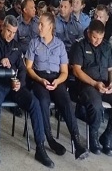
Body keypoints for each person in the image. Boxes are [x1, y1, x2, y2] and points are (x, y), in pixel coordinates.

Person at [0, 15, 54, 168]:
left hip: (13, 84)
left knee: (34, 102)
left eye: (14, 32)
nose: (11, 35)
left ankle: (40, 147)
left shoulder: (16, 46)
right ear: (3, 27)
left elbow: (22, 69)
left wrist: (20, 82)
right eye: (9, 31)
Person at [25, 12, 88, 160]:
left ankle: (76, 141)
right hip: (39, 78)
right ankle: (49, 138)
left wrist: (58, 81)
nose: (39, 27)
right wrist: (40, 79)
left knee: (65, 101)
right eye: (39, 24)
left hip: (56, 79)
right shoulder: (34, 43)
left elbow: (65, 72)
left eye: (42, 24)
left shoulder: (59, 45)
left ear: (50, 26)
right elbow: (28, 68)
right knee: (43, 101)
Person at [70, 20, 112, 156]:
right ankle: (93, 136)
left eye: (100, 38)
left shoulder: (106, 46)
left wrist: (111, 83)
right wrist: (94, 83)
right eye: (94, 37)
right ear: (88, 33)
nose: (97, 41)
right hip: (86, 84)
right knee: (96, 106)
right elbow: (76, 70)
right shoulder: (79, 45)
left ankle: (107, 136)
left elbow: (110, 69)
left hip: (104, 83)